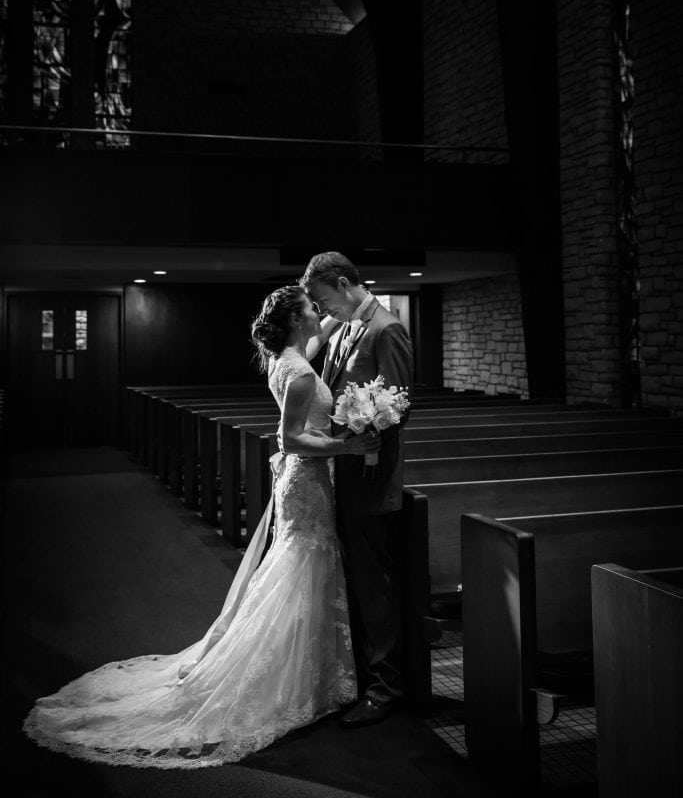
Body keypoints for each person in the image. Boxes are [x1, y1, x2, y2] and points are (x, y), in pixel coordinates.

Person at [22, 284, 380, 769]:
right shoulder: (296, 374)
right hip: (306, 478)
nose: (320, 312)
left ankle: (310, 669)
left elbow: (322, 335)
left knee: (300, 562)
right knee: (303, 563)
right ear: (297, 321)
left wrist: (353, 308)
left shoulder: (290, 357)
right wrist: (347, 448)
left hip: (303, 483)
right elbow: (291, 440)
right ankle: (289, 675)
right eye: (313, 308)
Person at [300, 252, 414, 729]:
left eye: (327, 300)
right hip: (345, 474)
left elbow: (401, 404)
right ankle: (363, 673)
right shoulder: (346, 326)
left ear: (346, 284)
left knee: (374, 586)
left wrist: (362, 428)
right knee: (357, 583)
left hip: (371, 480)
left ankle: (387, 688)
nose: (327, 311)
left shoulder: (386, 328)